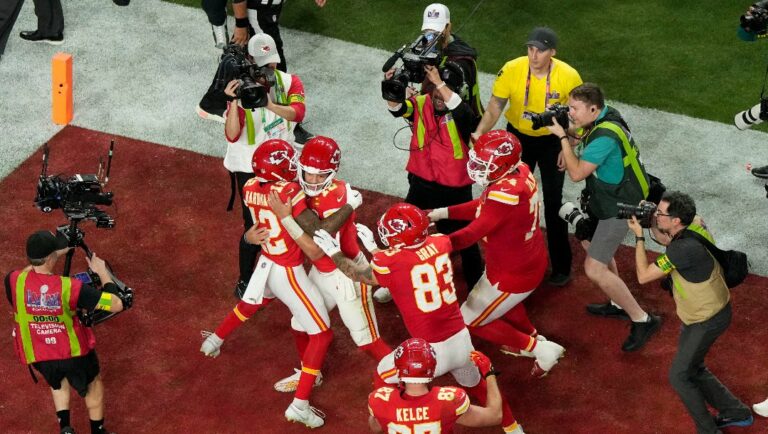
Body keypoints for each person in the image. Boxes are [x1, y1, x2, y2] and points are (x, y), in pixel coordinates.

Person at [314, 203, 525, 434]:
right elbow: (410, 262)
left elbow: (361, 275)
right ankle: (513, 428)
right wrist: (377, 251)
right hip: (461, 342)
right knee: (479, 386)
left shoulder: (389, 262)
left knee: (382, 374)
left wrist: (335, 252)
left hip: (431, 351)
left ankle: (397, 415)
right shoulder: (440, 242)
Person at [200, 139, 361, 428]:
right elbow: (317, 235)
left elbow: (253, 230)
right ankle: (300, 404)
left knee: (252, 304)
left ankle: (214, 340)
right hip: (288, 269)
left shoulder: (249, 187)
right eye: (292, 162)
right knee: (322, 334)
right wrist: (349, 205)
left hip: (267, 260)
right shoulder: (290, 192)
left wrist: (250, 237)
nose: (298, 167)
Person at [428, 130, 566, 377]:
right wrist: (442, 212)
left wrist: (434, 248)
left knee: (470, 320)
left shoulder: (506, 193)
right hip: (518, 261)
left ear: (502, 165)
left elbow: (472, 232)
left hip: (512, 272)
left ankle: (541, 350)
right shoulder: (518, 170)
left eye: (484, 164)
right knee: (501, 305)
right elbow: (483, 206)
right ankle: (533, 338)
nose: (477, 167)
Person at [268, 136, 392, 393]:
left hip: (348, 273)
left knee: (366, 340)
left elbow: (316, 244)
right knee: (300, 324)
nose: (312, 180)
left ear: (333, 172)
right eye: (308, 173)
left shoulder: (337, 193)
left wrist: (288, 218)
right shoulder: (298, 188)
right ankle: (310, 373)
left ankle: (405, 381)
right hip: (323, 272)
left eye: (319, 175)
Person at [547, 82, 661, 352]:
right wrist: (571, 140)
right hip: (606, 198)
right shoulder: (608, 116)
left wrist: (563, 138)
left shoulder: (604, 137)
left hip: (618, 207)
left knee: (593, 268)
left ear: (593, 108)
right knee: (590, 239)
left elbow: (576, 174)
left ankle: (642, 319)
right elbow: (584, 136)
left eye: (574, 108)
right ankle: (617, 302)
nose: (570, 113)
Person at [628, 191, 754, 432]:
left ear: (676, 220)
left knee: (679, 376)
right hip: (710, 311)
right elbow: (668, 240)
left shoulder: (682, 250)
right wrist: (650, 221)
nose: (656, 215)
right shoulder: (694, 224)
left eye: (660, 213)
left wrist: (638, 237)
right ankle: (736, 411)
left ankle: (708, 430)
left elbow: (643, 275)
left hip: (706, 319)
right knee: (693, 368)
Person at [472, 27, 582, 287]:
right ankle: (510, 258)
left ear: (552, 53)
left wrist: (570, 146)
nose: (533, 55)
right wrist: (479, 133)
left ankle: (561, 266)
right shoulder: (512, 68)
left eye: (540, 50)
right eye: (530, 49)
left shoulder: (568, 76)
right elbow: (496, 105)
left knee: (554, 203)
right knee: (509, 198)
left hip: (553, 140)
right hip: (518, 139)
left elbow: (578, 117)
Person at [380, 61, 484, 302]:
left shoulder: (463, 112)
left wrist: (439, 82)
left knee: (466, 240)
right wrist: (391, 85)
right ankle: (392, 281)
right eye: (436, 89)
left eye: (445, 89)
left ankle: (477, 288)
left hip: (455, 190)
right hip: (421, 184)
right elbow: (396, 108)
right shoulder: (420, 103)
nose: (438, 95)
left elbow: (467, 119)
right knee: (401, 231)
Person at [6, 230, 128, 434]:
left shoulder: (13, 280)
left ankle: (66, 428)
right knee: (93, 385)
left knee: (57, 381)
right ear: (51, 256)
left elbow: (29, 271)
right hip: (73, 354)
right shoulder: (71, 287)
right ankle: (97, 430)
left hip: (39, 353)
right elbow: (116, 304)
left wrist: (54, 253)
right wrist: (102, 272)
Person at [222, 32, 308, 299]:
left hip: (282, 164)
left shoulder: (289, 81)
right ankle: (245, 279)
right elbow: (232, 134)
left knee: (292, 216)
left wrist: (269, 103)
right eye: (264, 65)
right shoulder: (240, 90)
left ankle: (287, 269)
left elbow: (298, 113)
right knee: (255, 223)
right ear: (252, 62)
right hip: (249, 168)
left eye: (272, 63)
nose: (270, 70)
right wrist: (235, 102)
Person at [196, 0, 320, 145]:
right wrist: (241, 24)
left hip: (267, 8)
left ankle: (213, 102)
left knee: (245, 56)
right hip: (258, 8)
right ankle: (287, 123)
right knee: (270, 63)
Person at [368, 338, 502, 433]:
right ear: (432, 368)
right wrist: (489, 373)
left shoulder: (380, 400)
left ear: (398, 369)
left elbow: (376, 428)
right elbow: (494, 416)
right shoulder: (448, 401)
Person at [418, 3, 483, 119]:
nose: (431, 35)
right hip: (435, 114)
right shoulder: (427, 48)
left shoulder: (462, 60)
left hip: (459, 119)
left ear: (448, 27)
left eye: (436, 30)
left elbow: (459, 101)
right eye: (428, 30)